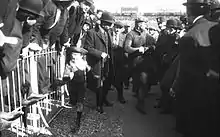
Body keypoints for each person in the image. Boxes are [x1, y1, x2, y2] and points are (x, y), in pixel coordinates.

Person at [175, 0, 220, 137]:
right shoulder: (216, 27)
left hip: (198, 92)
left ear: (189, 13)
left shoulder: (189, 35)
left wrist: (176, 88)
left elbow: (185, 71)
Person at [124, 16, 156, 114]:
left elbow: (154, 45)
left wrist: (151, 47)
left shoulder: (146, 34)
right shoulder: (131, 34)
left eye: (144, 23)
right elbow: (126, 48)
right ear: (137, 23)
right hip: (135, 62)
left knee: (143, 80)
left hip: (145, 62)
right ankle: (139, 98)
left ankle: (140, 102)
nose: (142, 25)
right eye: (140, 23)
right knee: (138, 81)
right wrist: (138, 49)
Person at [84, 11, 115, 113]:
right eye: (109, 24)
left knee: (107, 83)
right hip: (97, 63)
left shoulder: (108, 33)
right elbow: (87, 48)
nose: (110, 26)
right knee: (98, 85)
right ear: (103, 23)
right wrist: (100, 54)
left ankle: (104, 99)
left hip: (107, 62)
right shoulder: (92, 33)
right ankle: (99, 105)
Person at [63, 46, 90, 131]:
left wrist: (91, 74)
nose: (74, 56)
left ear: (81, 56)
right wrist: (69, 75)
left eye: (76, 55)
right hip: (72, 86)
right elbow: (65, 76)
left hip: (81, 86)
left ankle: (78, 121)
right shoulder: (69, 64)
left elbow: (88, 71)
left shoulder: (84, 64)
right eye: (72, 54)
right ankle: (74, 107)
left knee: (79, 102)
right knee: (73, 101)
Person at [112, 21, 126, 104]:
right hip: (110, 59)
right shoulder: (109, 34)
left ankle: (120, 95)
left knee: (119, 79)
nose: (117, 29)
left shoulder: (124, 36)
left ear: (122, 29)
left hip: (120, 60)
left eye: (119, 28)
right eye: (116, 27)